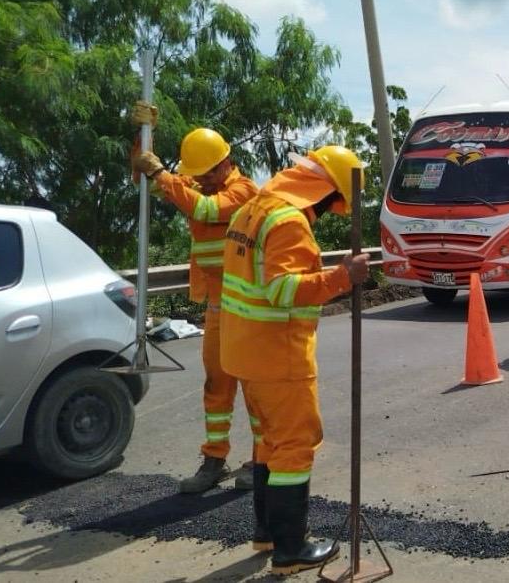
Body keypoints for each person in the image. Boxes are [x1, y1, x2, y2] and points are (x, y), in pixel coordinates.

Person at [219, 145, 370, 575]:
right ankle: (291, 550)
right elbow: (282, 290)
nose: (329, 212)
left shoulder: (253, 208)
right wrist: (342, 278)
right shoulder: (288, 221)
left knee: (269, 444)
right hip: (278, 357)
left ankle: (266, 534)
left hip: (244, 352)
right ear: (326, 192)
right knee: (295, 448)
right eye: (334, 203)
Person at [130, 102, 259, 492]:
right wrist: (140, 135)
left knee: (255, 387)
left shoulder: (244, 190)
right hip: (219, 308)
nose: (198, 182)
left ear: (223, 165)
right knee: (216, 387)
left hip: (249, 309)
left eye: (203, 175)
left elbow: (202, 210)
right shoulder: (200, 183)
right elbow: (143, 176)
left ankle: (263, 460)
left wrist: (160, 173)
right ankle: (215, 459)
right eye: (195, 177)